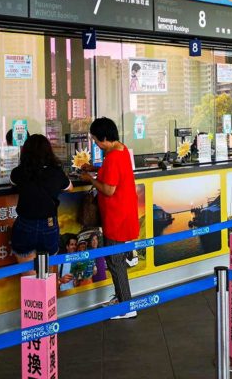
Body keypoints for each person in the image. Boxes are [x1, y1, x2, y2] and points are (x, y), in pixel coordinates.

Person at [80, 117, 140, 319]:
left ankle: (126, 306)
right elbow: (114, 174)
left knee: (115, 261)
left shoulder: (113, 157)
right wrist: (95, 169)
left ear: (105, 138)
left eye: (96, 140)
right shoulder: (119, 150)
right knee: (117, 260)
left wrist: (90, 179)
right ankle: (122, 298)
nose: (95, 144)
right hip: (123, 213)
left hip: (116, 216)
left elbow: (108, 188)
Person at [9, 134, 73, 267]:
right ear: (49, 152)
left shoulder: (19, 172)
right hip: (49, 224)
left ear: (25, 152)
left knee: (29, 272)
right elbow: (70, 188)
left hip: (26, 224)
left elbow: (13, 183)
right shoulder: (56, 173)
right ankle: (48, 287)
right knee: (48, 271)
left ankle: (32, 286)